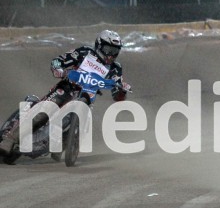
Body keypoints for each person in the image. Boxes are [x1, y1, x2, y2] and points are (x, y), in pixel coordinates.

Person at [0, 31, 131, 157]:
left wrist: (122, 90)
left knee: (87, 121)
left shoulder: (116, 68)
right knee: (44, 112)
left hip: (87, 97)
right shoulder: (84, 52)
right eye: (108, 49)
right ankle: (10, 138)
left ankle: (62, 143)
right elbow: (58, 60)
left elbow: (117, 95)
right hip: (66, 89)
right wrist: (58, 69)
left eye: (115, 51)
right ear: (99, 45)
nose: (111, 55)